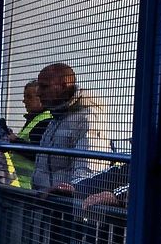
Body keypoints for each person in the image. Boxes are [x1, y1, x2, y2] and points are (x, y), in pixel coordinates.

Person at [28, 63, 108, 193]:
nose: (38, 93)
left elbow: (89, 171)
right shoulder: (57, 117)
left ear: (64, 86)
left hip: (62, 206)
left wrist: (65, 194)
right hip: (44, 202)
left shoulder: (87, 118)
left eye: (44, 86)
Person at [8, 80, 55, 189]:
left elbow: (38, 153)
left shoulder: (45, 121)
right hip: (20, 183)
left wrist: (15, 141)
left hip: (28, 185)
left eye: (29, 97)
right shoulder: (34, 119)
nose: (24, 101)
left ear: (41, 98)